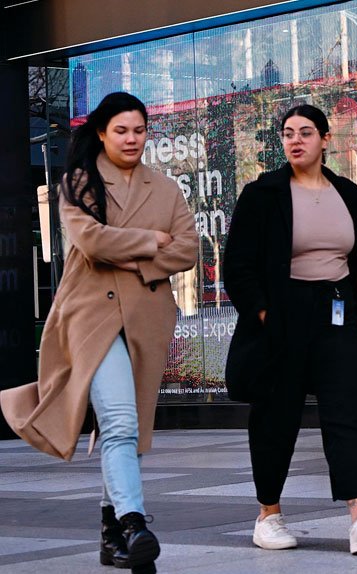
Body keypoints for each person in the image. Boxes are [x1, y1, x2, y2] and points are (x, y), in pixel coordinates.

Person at [0, 92, 199, 574]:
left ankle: (112, 533)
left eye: (139, 130)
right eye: (121, 131)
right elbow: (90, 240)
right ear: (101, 133)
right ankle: (134, 523)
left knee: (125, 431)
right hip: (92, 317)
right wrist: (152, 242)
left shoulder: (166, 188)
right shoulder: (78, 183)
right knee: (119, 421)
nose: (132, 139)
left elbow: (189, 249)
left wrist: (123, 253)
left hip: (146, 319)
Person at [223, 104, 357, 555]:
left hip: (337, 311)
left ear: (324, 140)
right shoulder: (262, 193)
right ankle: (269, 515)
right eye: (287, 133)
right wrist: (264, 316)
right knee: (276, 417)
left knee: (346, 411)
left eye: (305, 132)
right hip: (282, 315)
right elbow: (238, 266)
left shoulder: (348, 193)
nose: (295, 140)